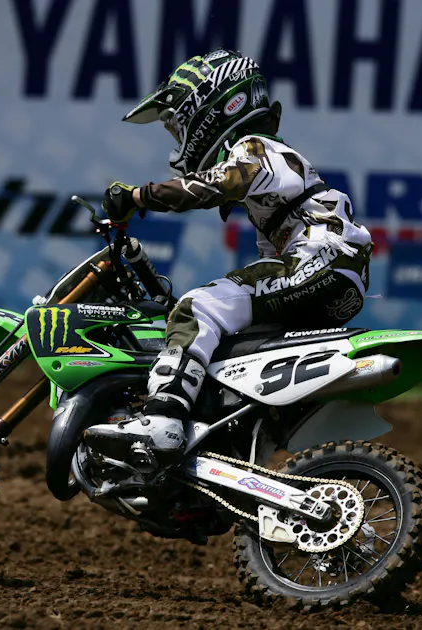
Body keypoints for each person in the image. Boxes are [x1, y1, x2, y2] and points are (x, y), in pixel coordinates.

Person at [84, 49, 373, 465]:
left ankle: (162, 418)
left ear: (211, 110)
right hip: (336, 271)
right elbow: (263, 261)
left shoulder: (255, 148)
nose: (177, 140)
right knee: (236, 342)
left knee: (197, 307)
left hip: (321, 258)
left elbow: (214, 185)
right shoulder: (280, 186)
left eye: (177, 126)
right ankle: (232, 444)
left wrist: (138, 196)